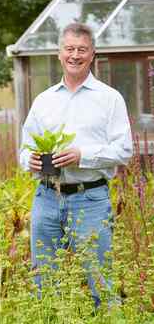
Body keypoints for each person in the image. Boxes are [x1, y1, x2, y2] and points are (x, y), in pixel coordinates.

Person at [20, 23, 133, 307]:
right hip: (46, 196)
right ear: (60, 53)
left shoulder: (110, 99)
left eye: (82, 50)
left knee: (100, 279)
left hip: (90, 197)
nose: (75, 55)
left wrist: (83, 155)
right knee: (44, 279)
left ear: (92, 54)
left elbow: (124, 150)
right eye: (69, 49)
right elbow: (24, 148)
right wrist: (29, 160)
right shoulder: (44, 101)